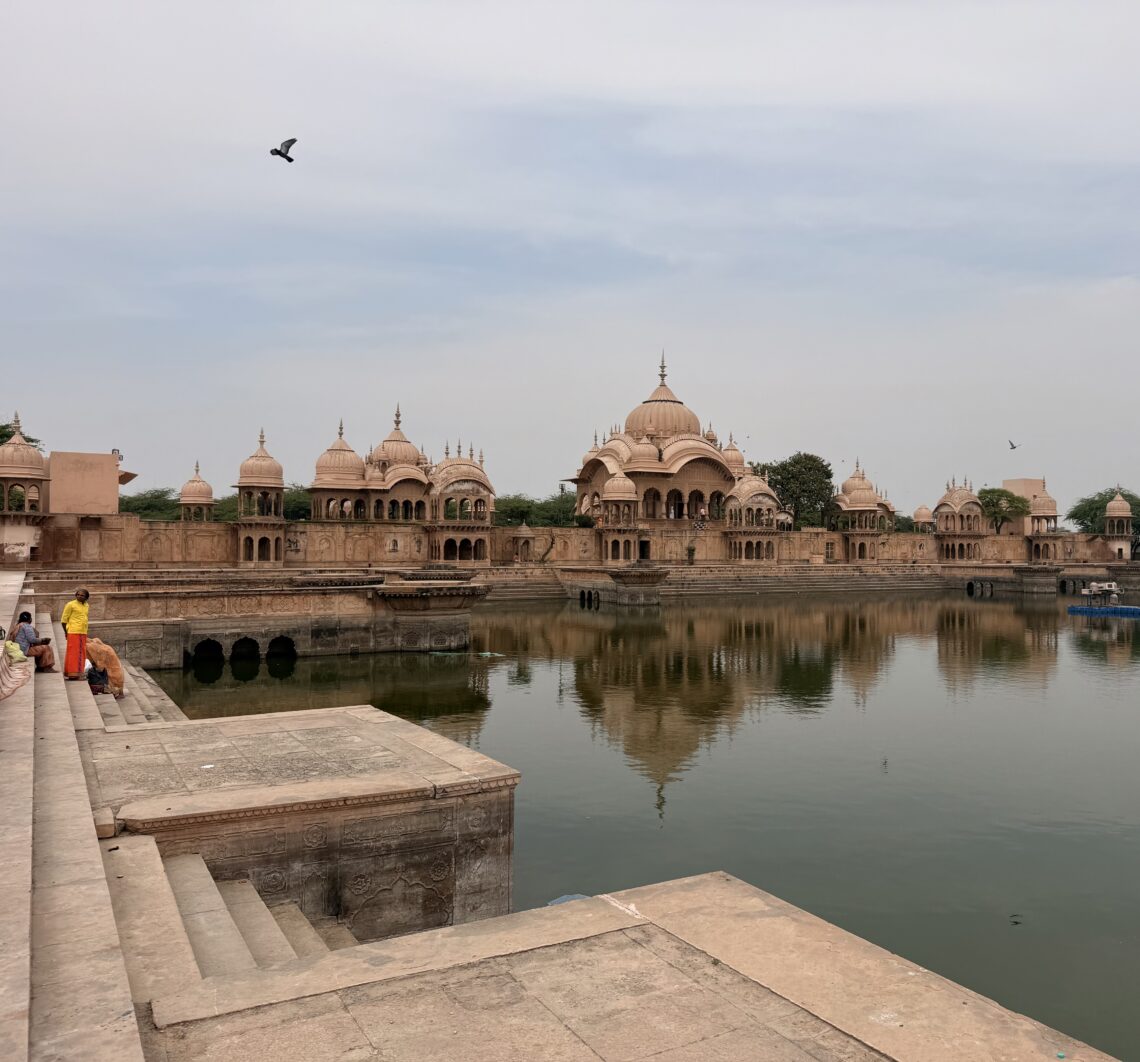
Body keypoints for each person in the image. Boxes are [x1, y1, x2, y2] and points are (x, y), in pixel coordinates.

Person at [60, 588, 90, 681]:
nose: (79, 596)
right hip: (73, 631)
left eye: (82, 595)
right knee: (73, 653)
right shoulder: (70, 605)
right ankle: (72, 674)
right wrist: (66, 633)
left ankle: (78, 673)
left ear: (86, 597)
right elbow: (63, 621)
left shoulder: (86, 605)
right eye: (78, 595)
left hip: (83, 632)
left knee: (81, 653)